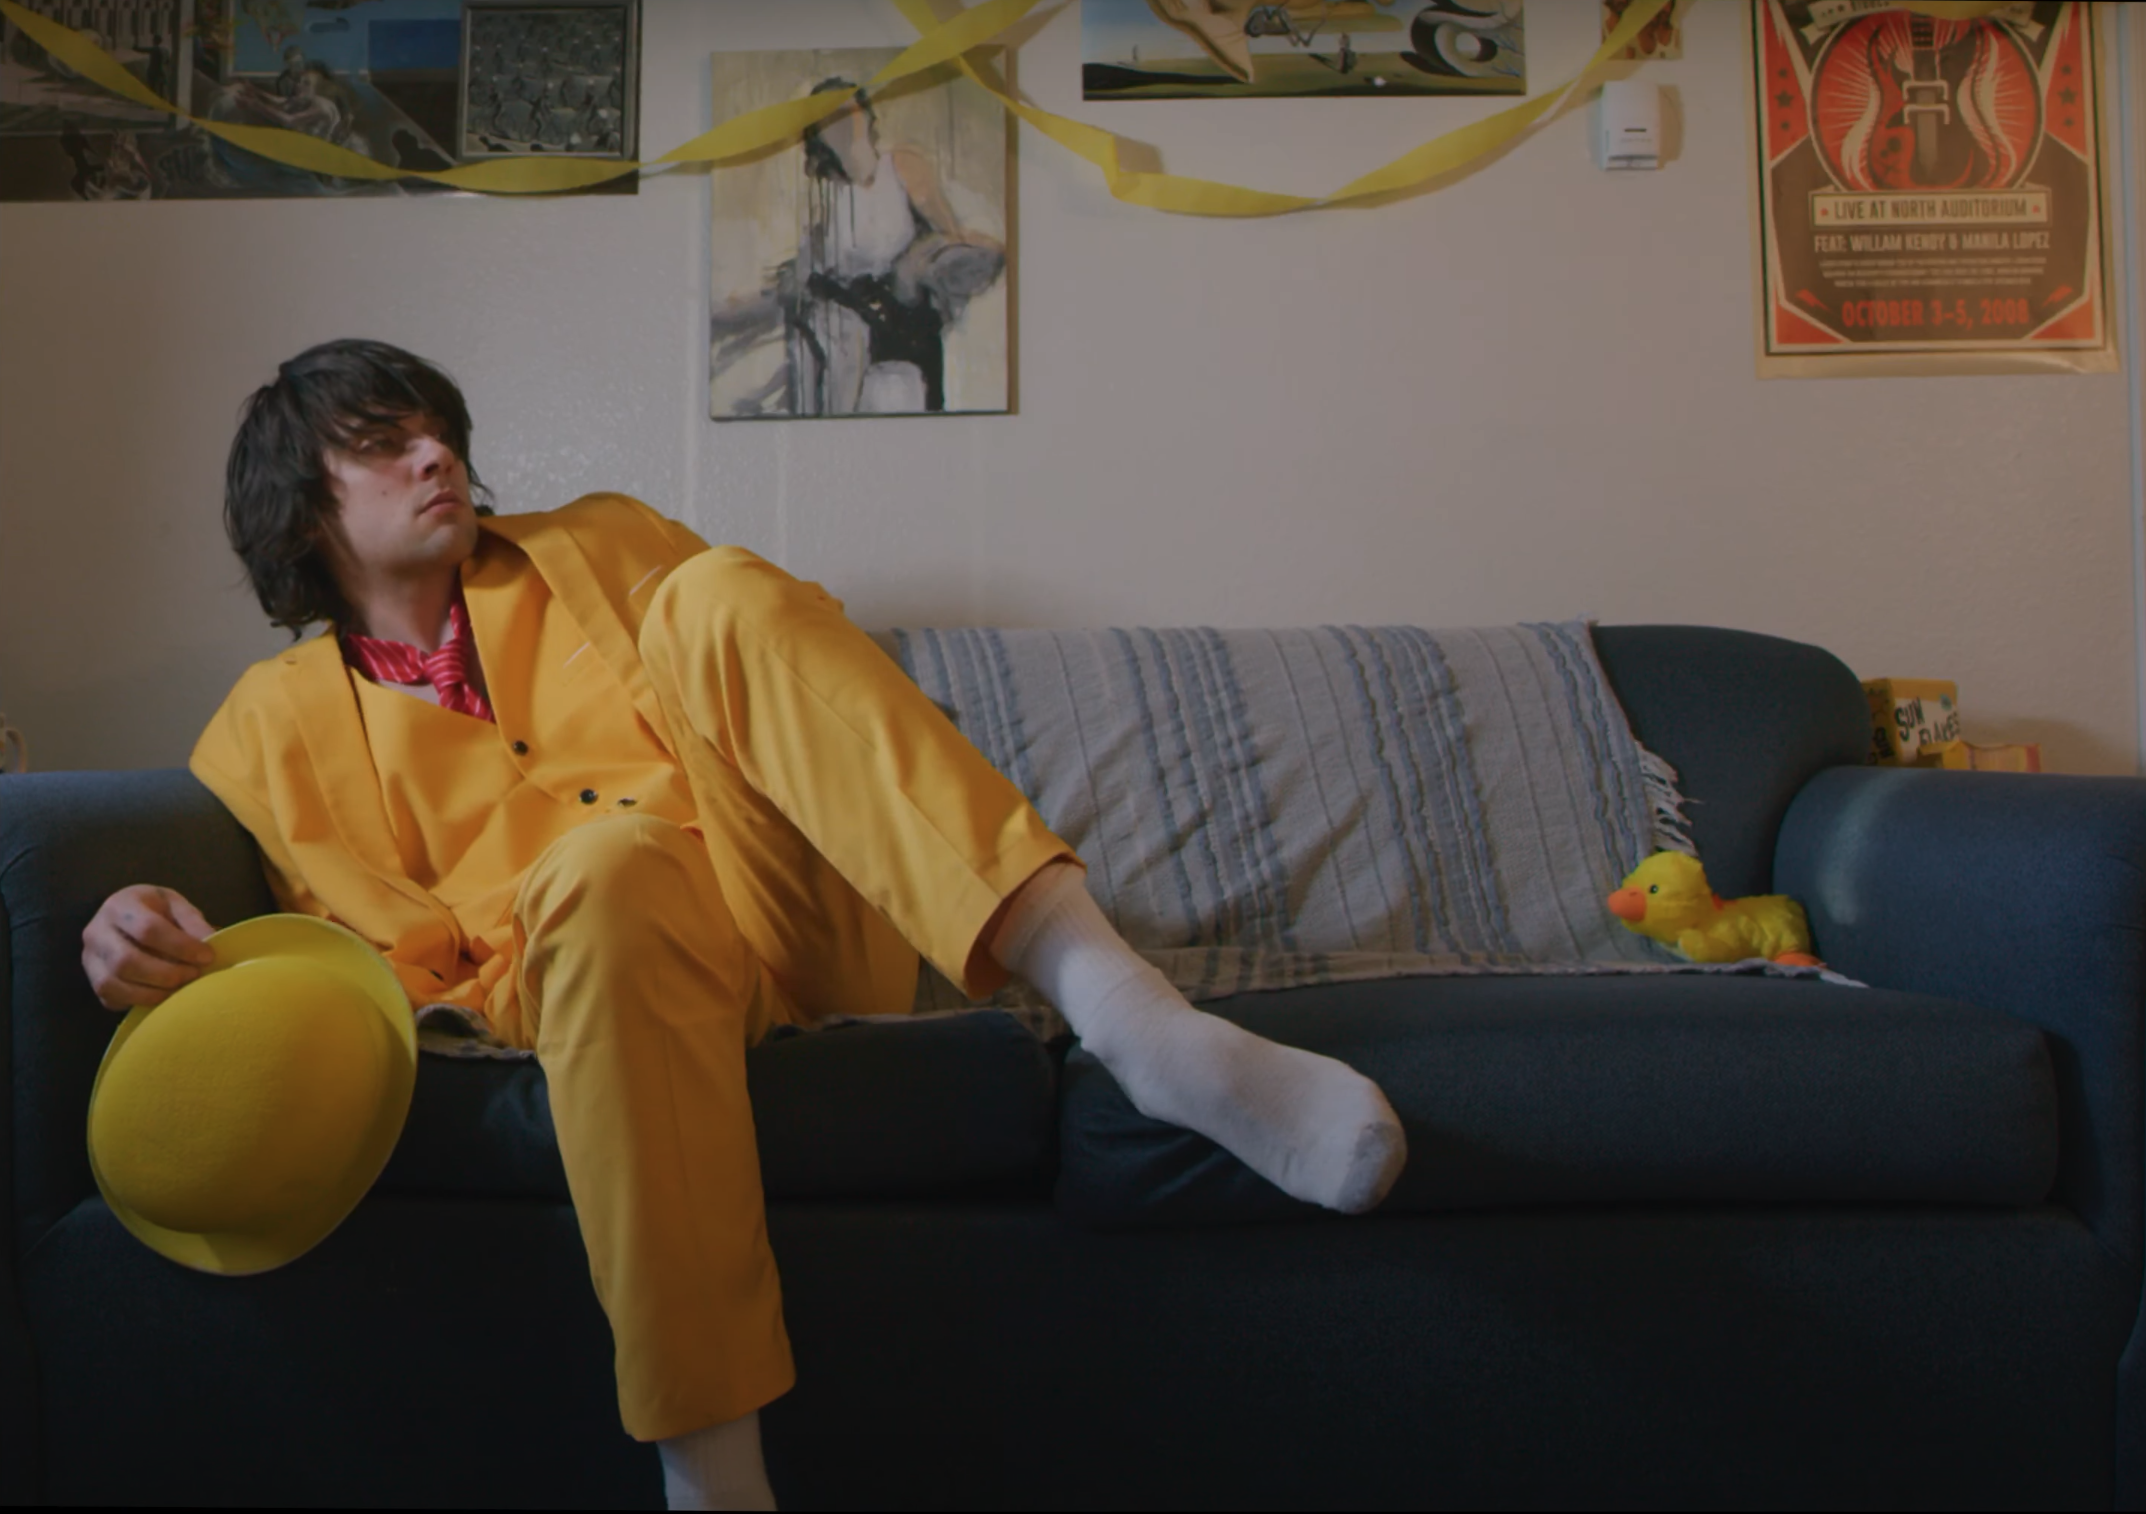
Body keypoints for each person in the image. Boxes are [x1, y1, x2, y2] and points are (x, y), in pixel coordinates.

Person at [78, 340, 1406, 1510]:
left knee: (720, 595)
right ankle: (713, 1475)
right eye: (381, 441)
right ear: (299, 509)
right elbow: (340, 958)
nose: (434, 452)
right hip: (581, 977)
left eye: (436, 427)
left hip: (790, 913)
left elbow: (780, 686)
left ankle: (1140, 1024)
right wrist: (139, 921)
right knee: (600, 869)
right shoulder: (265, 727)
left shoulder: (594, 542)